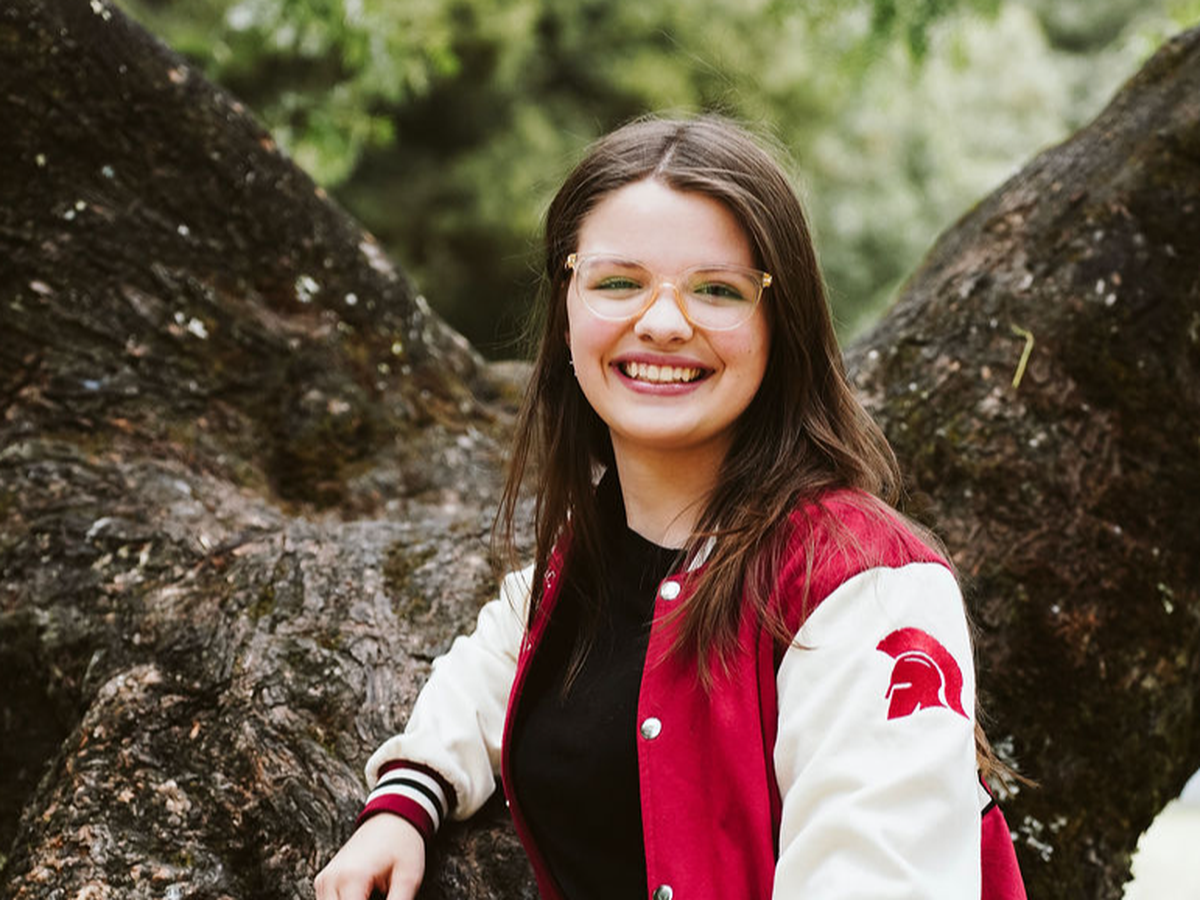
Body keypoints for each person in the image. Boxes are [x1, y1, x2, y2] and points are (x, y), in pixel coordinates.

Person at [314, 115, 1027, 900]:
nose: (661, 323)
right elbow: (492, 666)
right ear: (567, 307)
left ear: (780, 325)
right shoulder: (595, 548)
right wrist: (405, 800)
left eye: (717, 290)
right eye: (618, 282)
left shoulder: (867, 589)